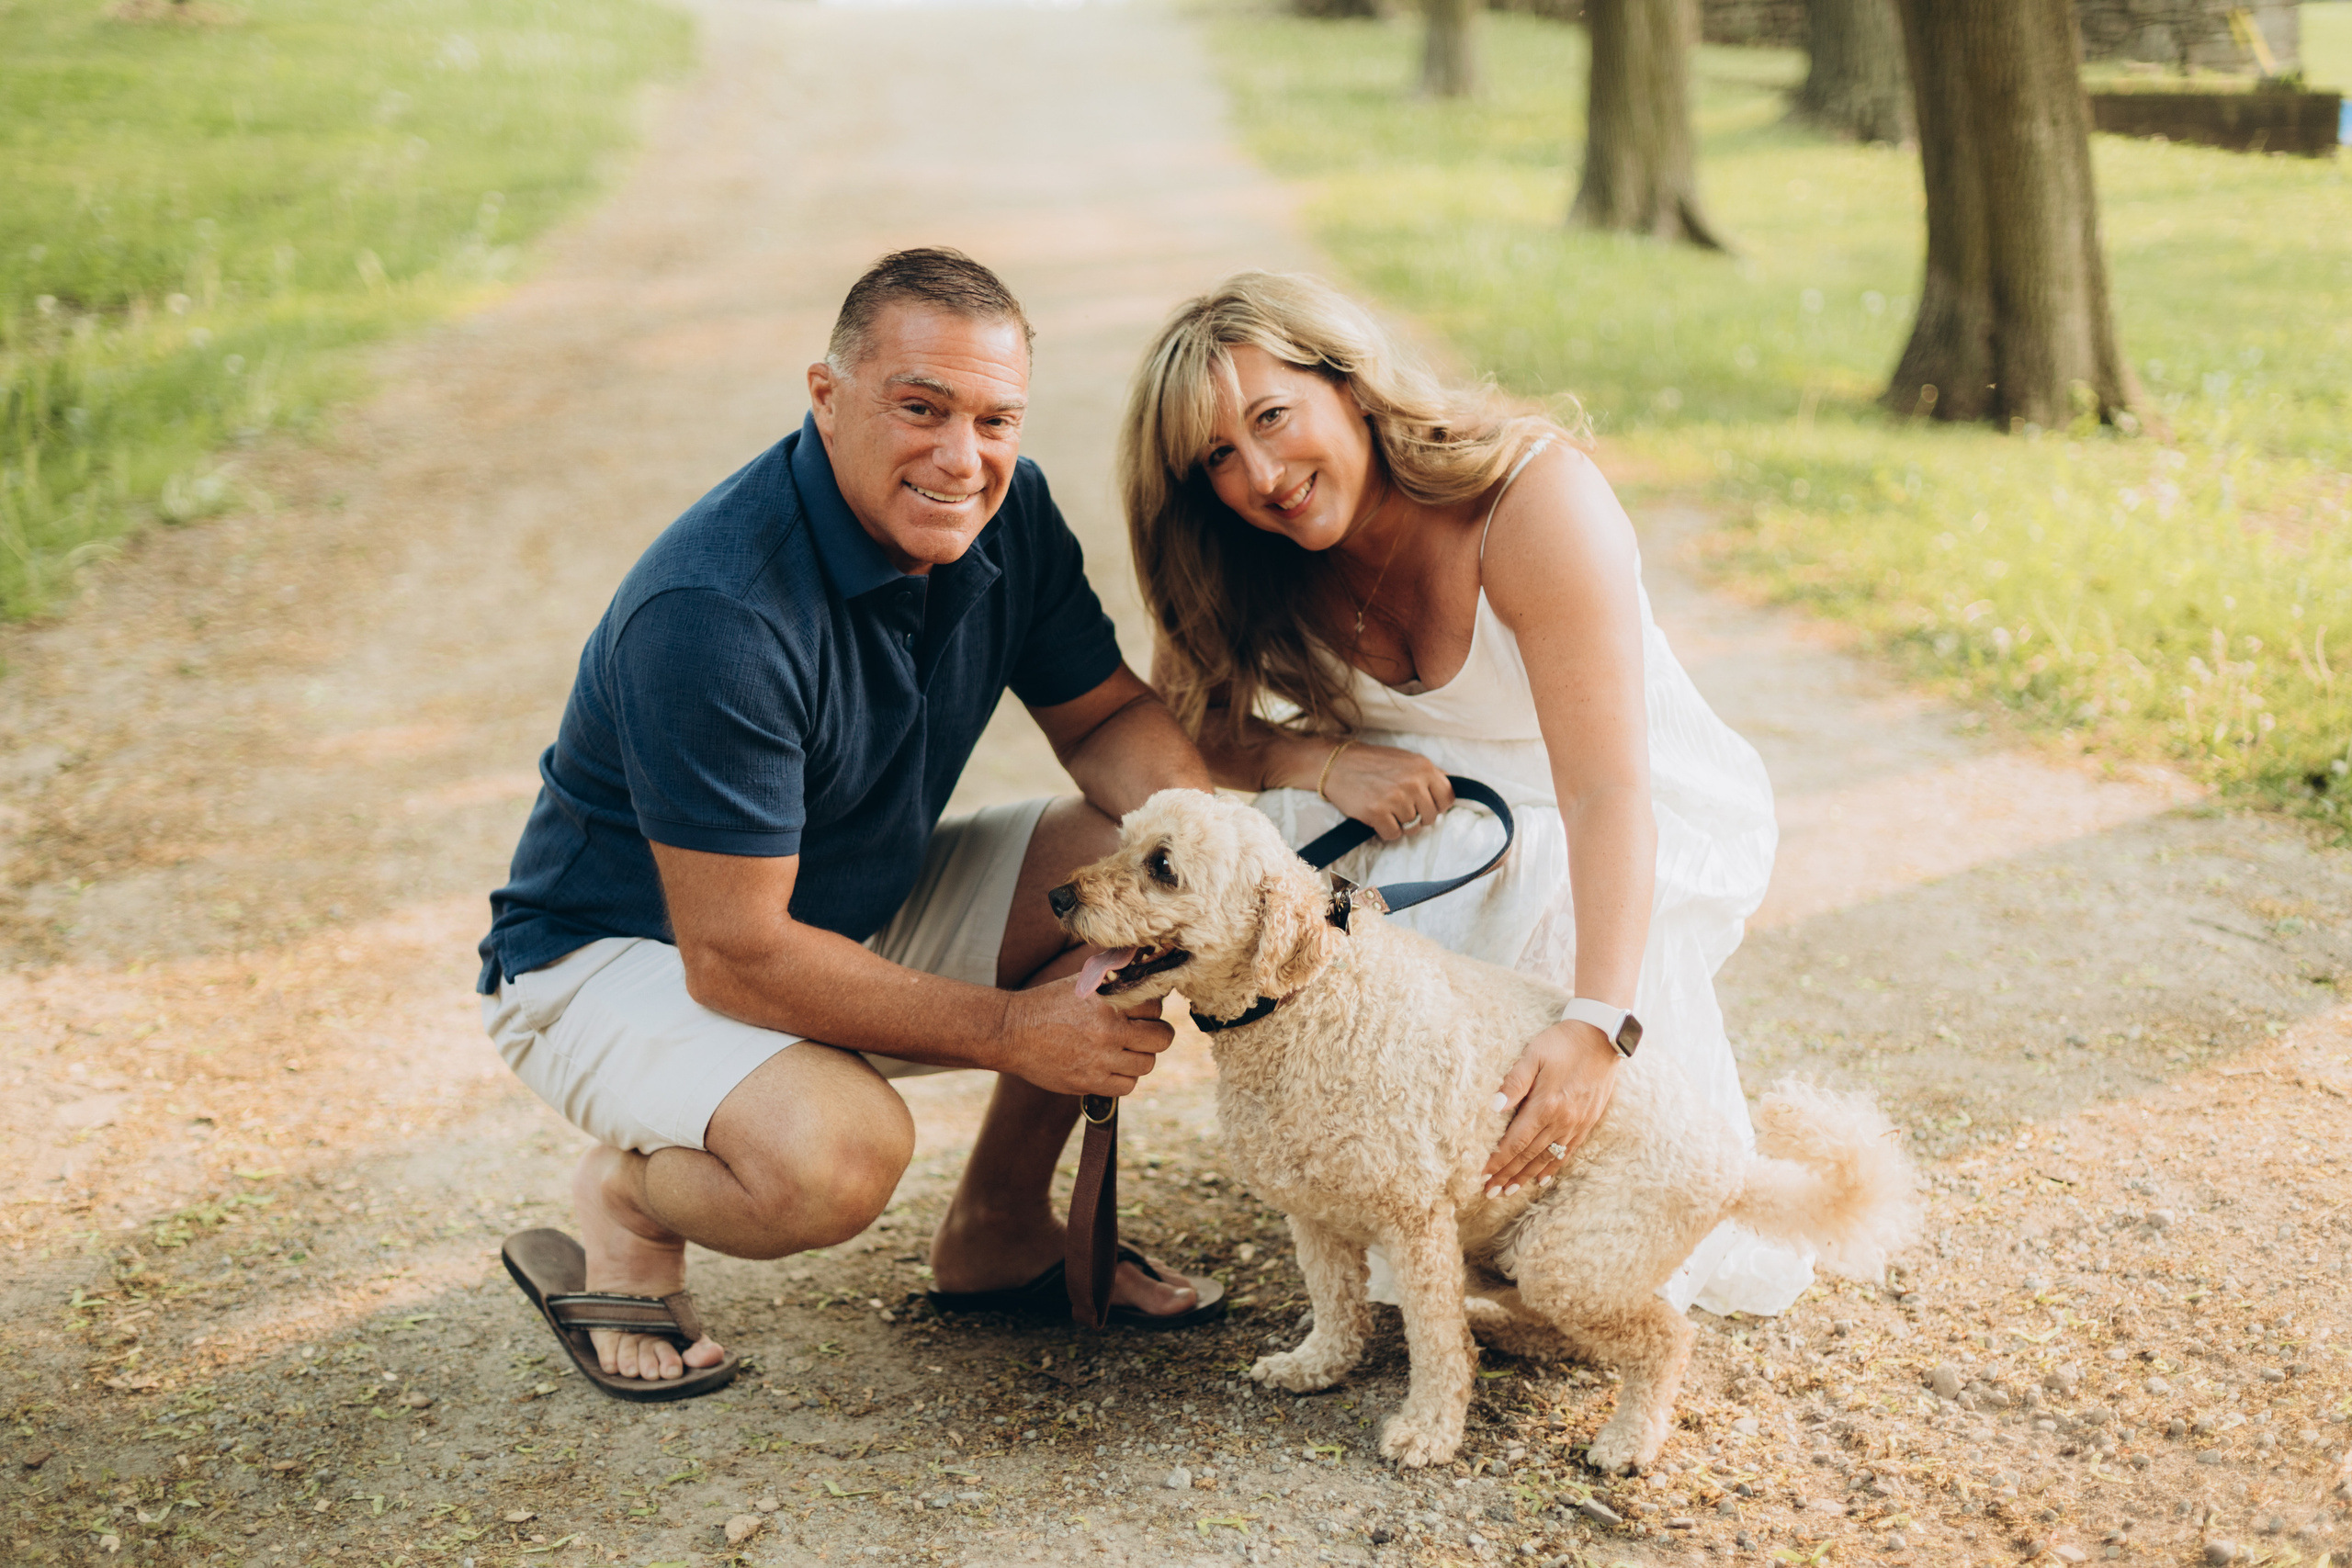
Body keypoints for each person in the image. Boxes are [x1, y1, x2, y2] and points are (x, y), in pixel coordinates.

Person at [478, 248, 1224, 1399]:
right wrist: (1017, 1030)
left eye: (994, 419)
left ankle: (998, 1231)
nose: (960, 458)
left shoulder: (1002, 510)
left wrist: (1232, 864)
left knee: (1141, 862)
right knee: (836, 1158)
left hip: (833, 912)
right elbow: (736, 956)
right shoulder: (715, 609)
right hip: (624, 958)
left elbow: (1110, 719)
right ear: (826, 398)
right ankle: (624, 1204)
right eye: (919, 409)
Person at [1115, 271, 1810, 1317]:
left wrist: (1595, 1027)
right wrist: (1317, 762)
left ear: (1347, 383)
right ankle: (1414, 1192)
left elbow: (1609, 790)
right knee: (1278, 863)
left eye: (1273, 417)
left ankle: (1525, 1205)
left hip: (1606, 803)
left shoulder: (1530, 502)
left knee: (1538, 922)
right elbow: (1193, 725)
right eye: (1218, 457)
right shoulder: (1246, 550)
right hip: (1419, 807)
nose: (1262, 475)